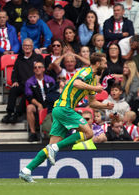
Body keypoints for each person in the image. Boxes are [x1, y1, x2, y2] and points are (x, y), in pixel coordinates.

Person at [19, 53, 114, 183]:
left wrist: (105, 106)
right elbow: (76, 83)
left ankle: (27, 170)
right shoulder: (86, 71)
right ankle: (56, 148)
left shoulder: (92, 79)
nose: (105, 65)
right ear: (97, 63)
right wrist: (94, 88)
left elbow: (92, 103)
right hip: (65, 108)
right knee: (89, 132)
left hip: (60, 110)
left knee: (50, 146)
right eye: (104, 62)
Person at [1, 38, 44, 124]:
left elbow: (42, 71)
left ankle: (17, 114)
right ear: (22, 47)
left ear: (32, 47)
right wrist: (14, 81)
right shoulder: (19, 57)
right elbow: (15, 71)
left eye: (29, 45)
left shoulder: (38, 57)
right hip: (21, 83)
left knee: (27, 93)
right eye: (25, 45)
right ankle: (9, 113)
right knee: (13, 89)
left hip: (33, 85)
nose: (27, 47)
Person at [25, 61, 55, 142]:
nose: (37, 69)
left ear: (43, 69)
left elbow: (54, 93)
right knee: (29, 108)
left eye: (39, 67)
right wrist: (38, 105)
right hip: (37, 103)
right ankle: (33, 133)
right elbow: (29, 97)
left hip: (50, 104)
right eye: (35, 67)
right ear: (33, 70)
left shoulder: (50, 80)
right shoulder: (29, 82)